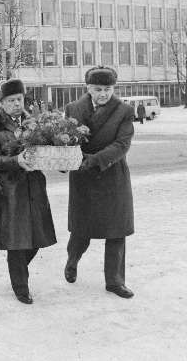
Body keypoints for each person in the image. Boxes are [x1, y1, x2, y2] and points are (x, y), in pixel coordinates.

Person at [0, 79, 56, 305]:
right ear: (1, 102)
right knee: (17, 241)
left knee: (35, 239)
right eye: (11, 100)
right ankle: (21, 286)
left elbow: (46, 147)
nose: (17, 104)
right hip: (11, 189)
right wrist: (16, 160)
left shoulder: (33, 122)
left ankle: (17, 272)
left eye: (20, 99)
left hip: (34, 186)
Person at [64, 66, 135, 300]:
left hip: (112, 174)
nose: (103, 94)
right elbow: (65, 139)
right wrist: (65, 157)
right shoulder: (73, 109)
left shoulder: (124, 110)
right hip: (83, 177)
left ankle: (115, 281)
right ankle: (72, 260)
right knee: (81, 229)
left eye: (108, 89)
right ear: (88, 88)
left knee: (116, 230)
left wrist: (94, 160)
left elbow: (122, 144)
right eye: (98, 89)